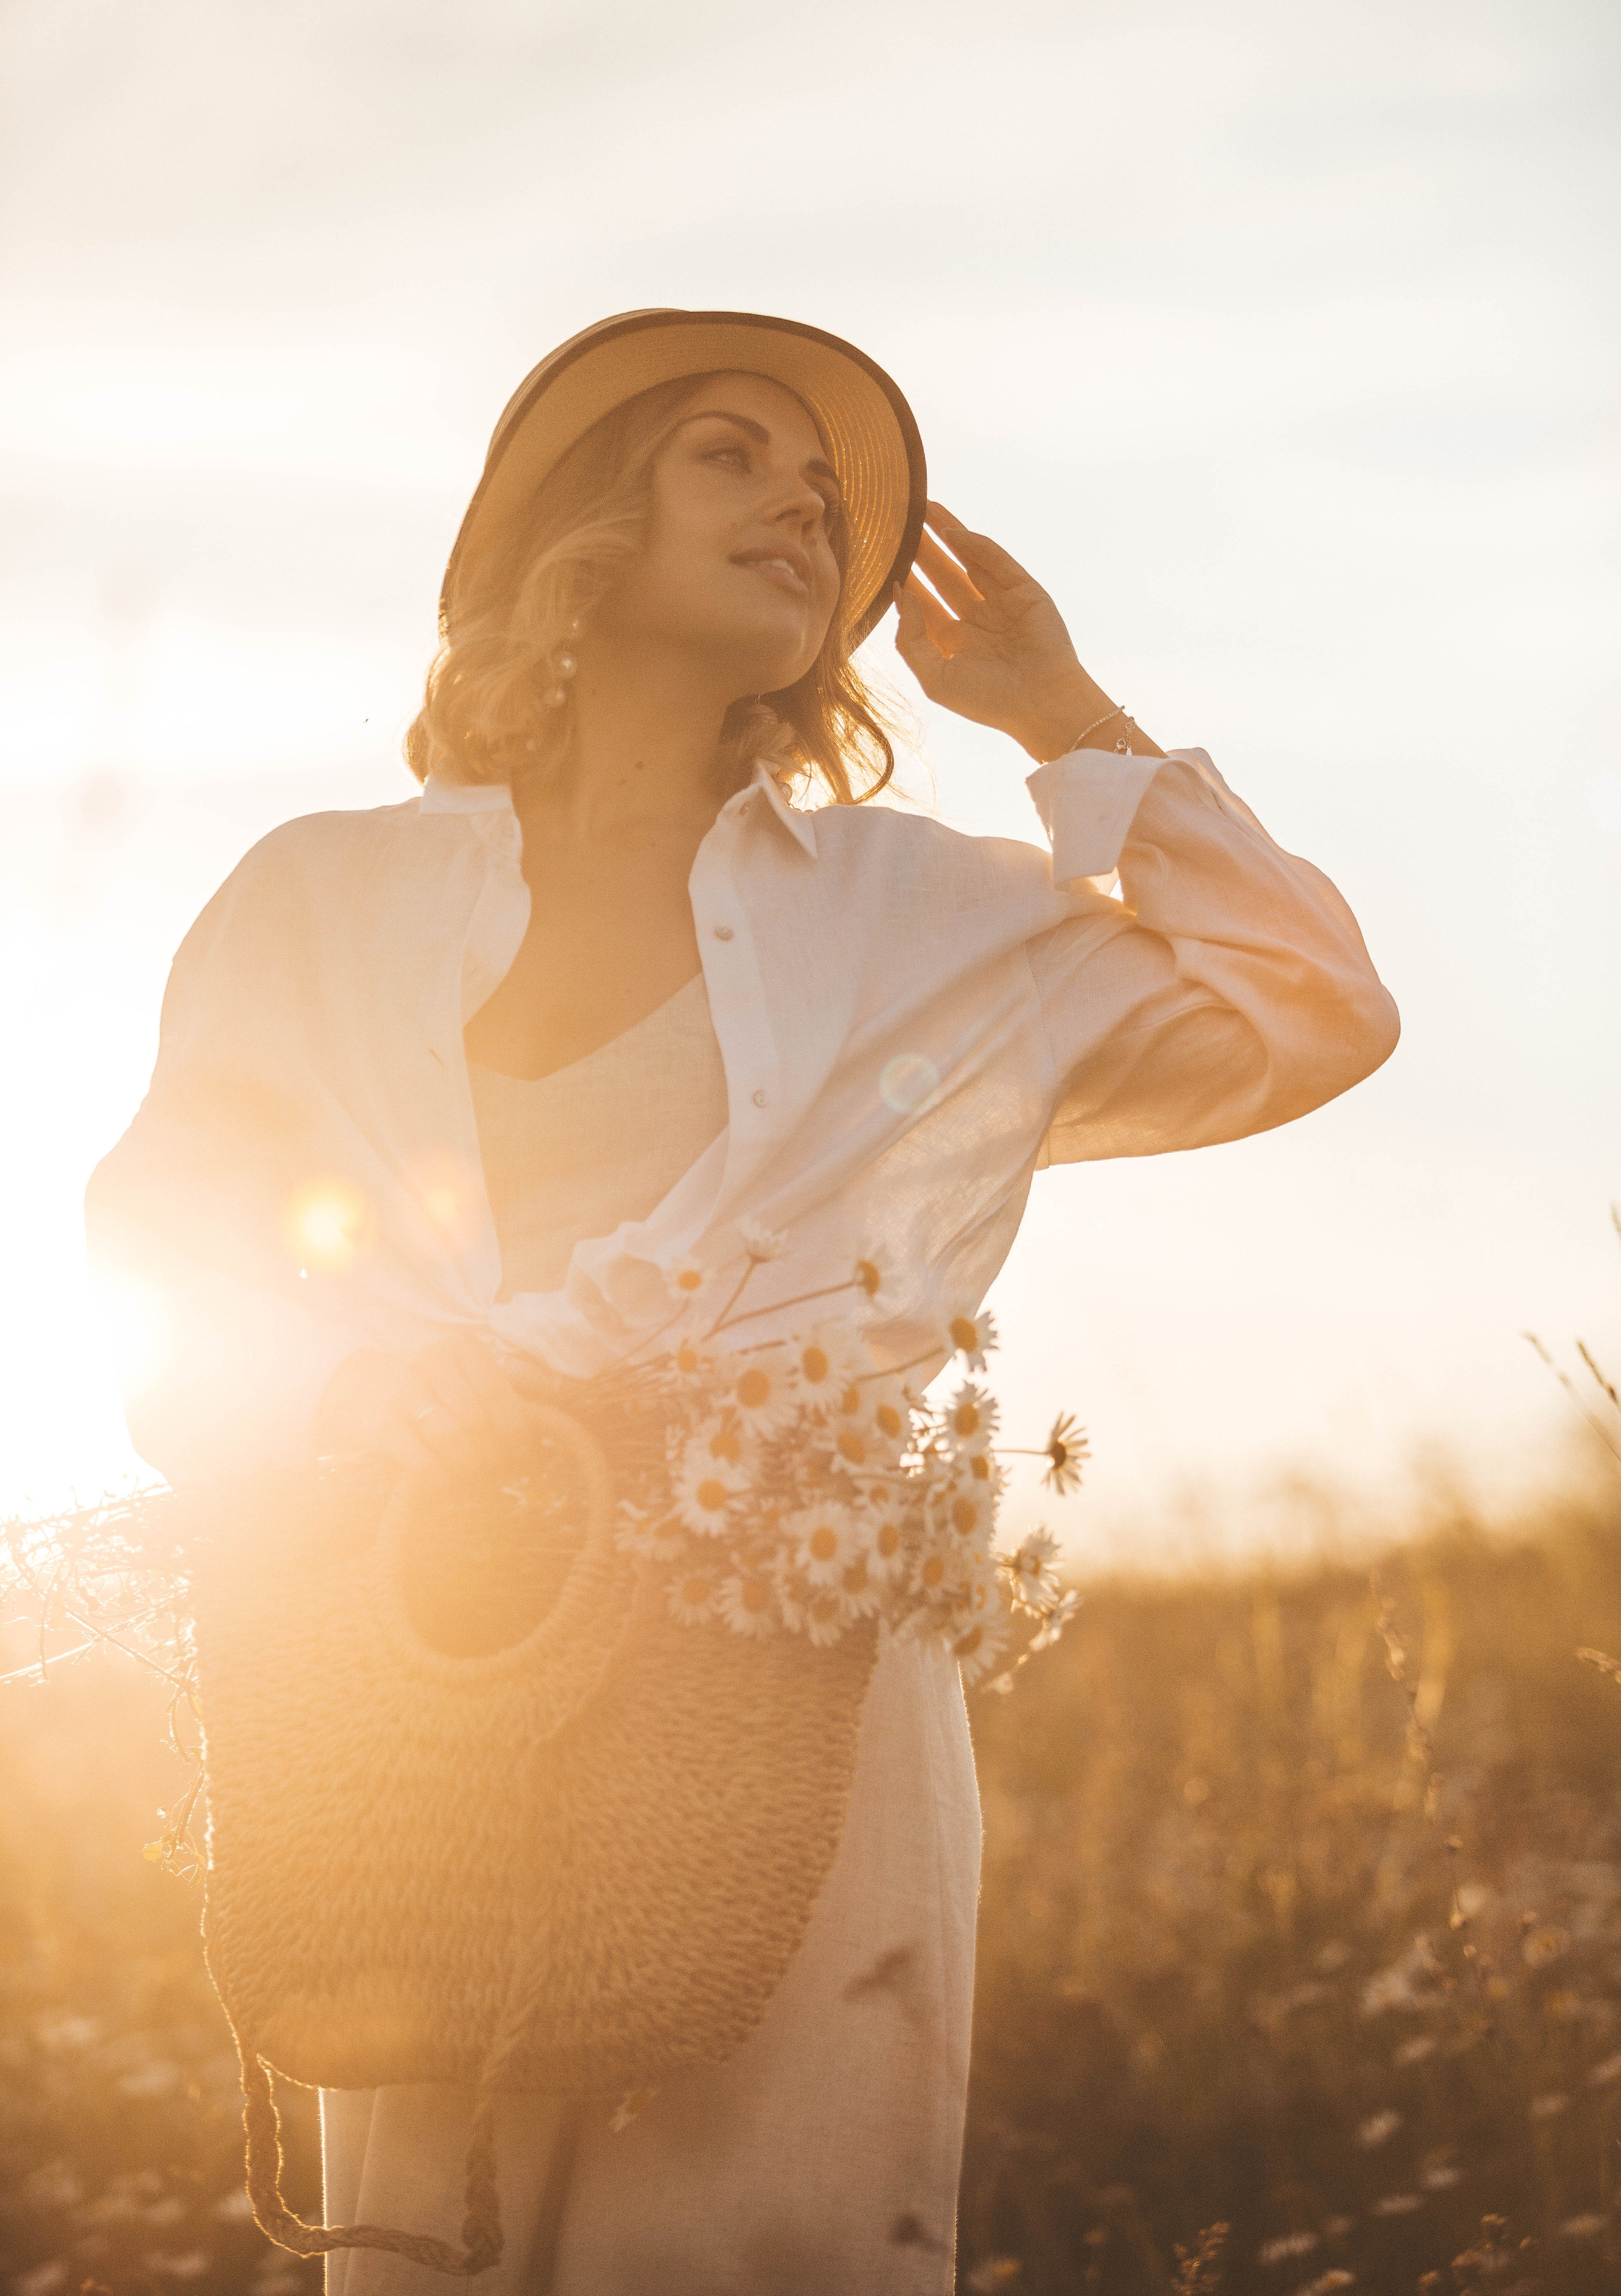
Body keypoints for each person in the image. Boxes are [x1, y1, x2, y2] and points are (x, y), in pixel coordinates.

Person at [85, 309, 1399, 2294]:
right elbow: (164, 1238)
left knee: (762, 2242)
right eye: (733, 453)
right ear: (584, 526)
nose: (803, 501)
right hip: (421, 1642)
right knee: (423, 2234)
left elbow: (1313, 1014)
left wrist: (1068, 715)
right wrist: (363, 1390)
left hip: (791, 1691)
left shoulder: (924, 910)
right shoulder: (317, 897)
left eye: (828, 495)